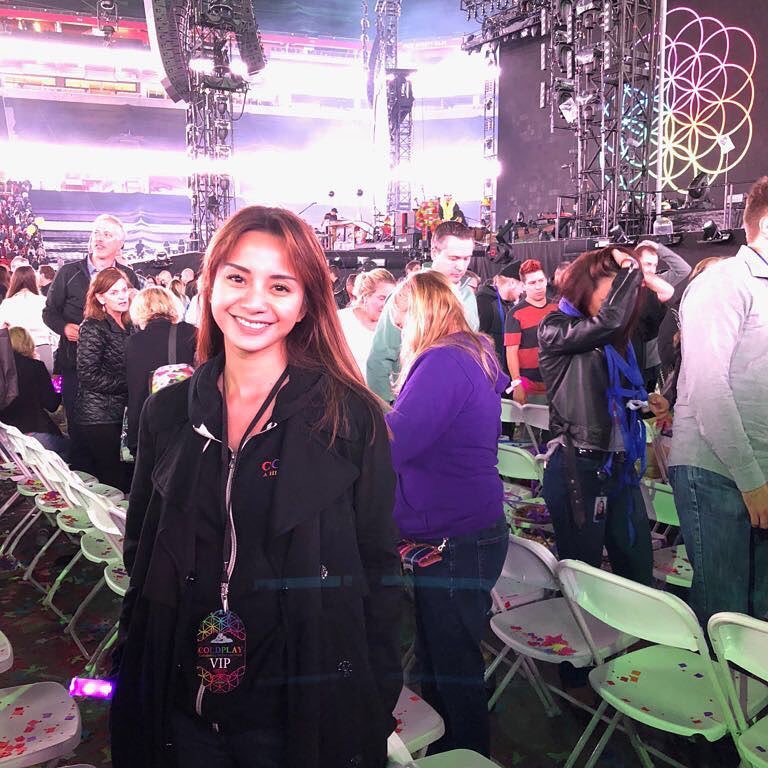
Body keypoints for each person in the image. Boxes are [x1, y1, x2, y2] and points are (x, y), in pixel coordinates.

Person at [110, 206, 402, 768]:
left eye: (280, 286)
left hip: (300, 711)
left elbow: (378, 567)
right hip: (180, 703)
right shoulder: (167, 413)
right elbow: (141, 553)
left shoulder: (348, 418)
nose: (254, 301)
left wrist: (373, 693)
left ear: (306, 303)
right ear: (210, 284)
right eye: (238, 278)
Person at [386, 271, 508, 756]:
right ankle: (449, 747)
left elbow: (397, 443)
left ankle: (467, 751)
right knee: (441, 652)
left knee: (452, 660)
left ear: (419, 314)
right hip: (461, 525)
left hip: (454, 531)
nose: (400, 333)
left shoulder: (443, 360)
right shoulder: (467, 353)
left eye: (402, 322)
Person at [538, 246, 672, 585]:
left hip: (620, 466)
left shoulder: (616, 338)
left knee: (637, 570)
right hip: (578, 467)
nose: (620, 303)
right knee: (584, 579)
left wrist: (646, 404)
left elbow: (615, 397)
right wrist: (631, 268)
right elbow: (608, 320)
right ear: (587, 287)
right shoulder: (555, 327)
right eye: (613, 292)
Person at [668, 176, 768, 626]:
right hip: (717, 471)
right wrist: (751, 479)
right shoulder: (724, 282)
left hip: (755, 470)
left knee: (758, 618)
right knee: (725, 615)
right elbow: (708, 388)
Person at [42, 214, 140, 437]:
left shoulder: (129, 276)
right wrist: (64, 328)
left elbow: (134, 318)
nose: (99, 238)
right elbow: (49, 312)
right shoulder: (68, 272)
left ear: (120, 243)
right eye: (96, 232)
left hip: (117, 372)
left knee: (117, 436)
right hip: (75, 365)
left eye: (107, 234)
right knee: (79, 434)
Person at [367, 221, 479, 402]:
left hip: (458, 402)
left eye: (466, 258)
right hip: (413, 402)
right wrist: (386, 410)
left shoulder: (467, 295)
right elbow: (379, 359)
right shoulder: (409, 294)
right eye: (454, 258)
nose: (461, 266)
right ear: (434, 252)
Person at [72, 267, 132, 492]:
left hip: (122, 412)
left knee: (126, 476)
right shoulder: (93, 326)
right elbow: (87, 374)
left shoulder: (131, 324)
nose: (122, 296)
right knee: (113, 480)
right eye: (114, 292)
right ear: (100, 297)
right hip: (98, 416)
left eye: (124, 290)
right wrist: (130, 383)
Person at [124, 286, 196, 458]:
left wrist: (134, 437)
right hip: (188, 424)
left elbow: (136, 392)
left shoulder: (134, 342)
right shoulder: (191, 333)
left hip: (151, 426)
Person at [0, 327, 68, 457]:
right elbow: (52, 404)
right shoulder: (35, 366)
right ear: (27, 343)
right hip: (36, 433)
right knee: (73, 450)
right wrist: (60, 387)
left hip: (6, 440)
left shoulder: (2, 372)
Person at [504, 259, 558, 405]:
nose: (538, 286)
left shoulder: (557, 308)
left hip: (557, 384)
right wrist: (517, 384)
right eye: (532, 283)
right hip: (530, 387)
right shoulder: (515, 314)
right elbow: (511, 352)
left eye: (541, 281)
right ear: (523, 286)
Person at [337, 268, 396, 377]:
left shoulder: (396, 326)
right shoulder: (340, 320)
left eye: (391, 299)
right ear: (365, 296)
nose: (387, 304)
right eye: (382, 298)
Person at [0, 265, 56, 372]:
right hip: (43, 348)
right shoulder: (44, 301)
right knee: (43, 381)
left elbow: (1, 330)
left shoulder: (7, 304)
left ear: (14, 281)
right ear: (34, 280)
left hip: (15, 351)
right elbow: (54, 329)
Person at [476, 264, 523, 375]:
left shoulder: (507, 304)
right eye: (522, 286)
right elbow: (477, 340)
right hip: (489, 372)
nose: (522, 290)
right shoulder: (484, 302)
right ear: (512, 283)